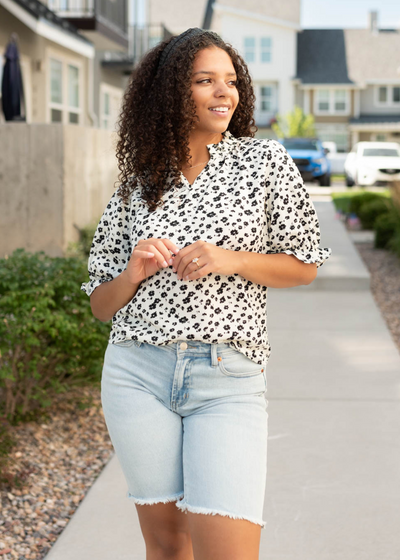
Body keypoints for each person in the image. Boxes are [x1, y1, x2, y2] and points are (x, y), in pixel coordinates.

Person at [81, 27, 332, 560]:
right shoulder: (139, 181)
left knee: (229, 552)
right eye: (205, 81)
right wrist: (131, 273)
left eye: (232, 81)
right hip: (136, 373)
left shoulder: (264, 163)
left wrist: (231, 259)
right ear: (172, 92)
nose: (225, 92)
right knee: (169, 548)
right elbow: (100, 305)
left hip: (228, 378)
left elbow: (304, 265)